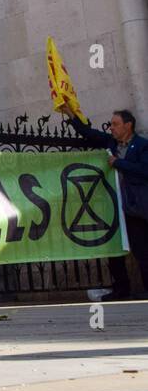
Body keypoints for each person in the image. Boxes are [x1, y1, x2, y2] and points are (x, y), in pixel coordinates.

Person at [63, 105, 148, 299]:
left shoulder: (142, 146)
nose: (111, 128)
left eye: (115, 124)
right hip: (116, 206)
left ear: (128, 125)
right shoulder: (110, 142)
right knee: (114, 248)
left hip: (138, 206)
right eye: (111, 124)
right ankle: (121, 289)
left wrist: (119, 163)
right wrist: (69, 113)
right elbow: (88, 133)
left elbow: (145, 170)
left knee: (142, 251)